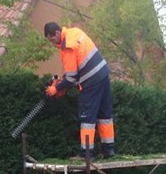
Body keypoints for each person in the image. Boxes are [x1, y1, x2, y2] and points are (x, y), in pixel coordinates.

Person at [43, 22, 115, 159]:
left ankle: (86, 154)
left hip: (91, 82)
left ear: (57, 33)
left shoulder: (67, 45)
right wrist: (62, 81)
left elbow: (71, 77)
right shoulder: (75, 32)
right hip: (103, 75)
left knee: (87, 118)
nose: (52, 43)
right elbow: (78, 65)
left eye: (52, 39)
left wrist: (55, 89)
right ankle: (109, 150)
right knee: (104, 115)